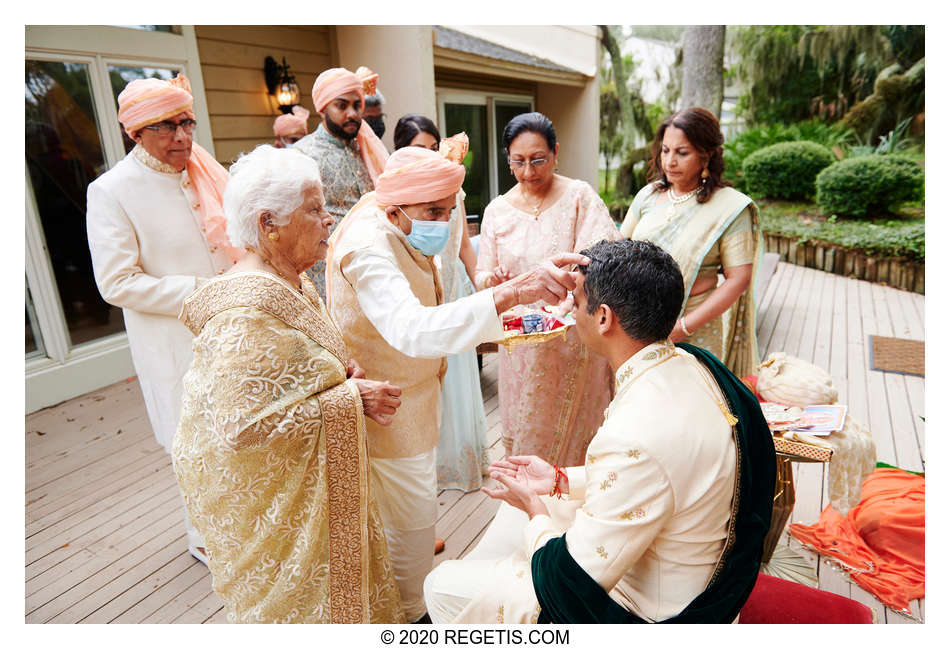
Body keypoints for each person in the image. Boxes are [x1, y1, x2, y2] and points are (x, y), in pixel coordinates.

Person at [424, 239, 776, 623]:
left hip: (654, 607)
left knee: (441, 583)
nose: (571, 315)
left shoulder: (637, 432)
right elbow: (656, 474)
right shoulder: (696, 363)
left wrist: (537, 513)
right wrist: (558, 480)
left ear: (604, 317)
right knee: (514, 517)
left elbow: (571, 583)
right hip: (690, 548)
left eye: (575, 305)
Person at [325, 145, 588, 624]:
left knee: (409, 525)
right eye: (435, 212)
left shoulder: (404, 216)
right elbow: (414, 329)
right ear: (393, 211)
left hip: (419, 397)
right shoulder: (365, 245)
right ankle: (409, 621)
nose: (446, 223)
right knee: (409, 532)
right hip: (386, 412)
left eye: (452, 210)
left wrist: (508, 322)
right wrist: (511, 292)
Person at [172, 145, 404, 624]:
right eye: (315, 209)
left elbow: (299, 374)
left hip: (327, 495)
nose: (329, 219)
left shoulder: (295, 282)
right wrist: (350, 398)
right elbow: (239, 427)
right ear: (268, 224)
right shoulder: (246, 313)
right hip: (281, 520)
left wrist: (342, 376)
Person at [86, 74, 245, 567]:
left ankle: (249, 525)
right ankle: (205, 536)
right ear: (135, 133)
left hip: (235, 330)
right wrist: (200, 291)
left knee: (239, 431)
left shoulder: (206, 170)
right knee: (193, 438)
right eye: (166, 127)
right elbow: (116, 283)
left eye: (186, 122)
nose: (182, 137)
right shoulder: (111, 191)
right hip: (172, 341)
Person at [475, 112, 620, 468]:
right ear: (508, 160)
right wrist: (492, 279)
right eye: (519, 161)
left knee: (580, 430)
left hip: (576, 339)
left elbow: (602, 256)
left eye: (538, 160)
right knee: (528, 427)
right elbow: (481, 275)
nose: (529, 171)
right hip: (521, 343)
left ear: (555, 153)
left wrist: (570, 292)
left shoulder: (578, 197)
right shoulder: (497, 211)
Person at [620, 107, 761, 377]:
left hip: (696, 325)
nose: (670, 161)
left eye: (681, 153)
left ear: (706, 155)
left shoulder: (730, 207)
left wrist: (683, 326)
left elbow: (738, 278)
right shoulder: (648, 196)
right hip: (639, 325)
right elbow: (620, 248)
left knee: (692, 406)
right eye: (665, 151)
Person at [393, 114, 486, 494]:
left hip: (453, 290)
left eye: (434, 149)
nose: (430, 157)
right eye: (419, 150)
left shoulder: (454, 190)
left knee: (458, 382)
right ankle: (423, 468)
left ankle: (456, 463)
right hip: (417, 296)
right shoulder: (396, 201)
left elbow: (464, 244)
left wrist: (483, 285)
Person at [294, 66, 389, 298]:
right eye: (342, 105)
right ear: (323, 108)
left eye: (357, 105)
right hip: (328, 277)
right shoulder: (301, 156)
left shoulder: (367, 149)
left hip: (376, 269)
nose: (353, 114)